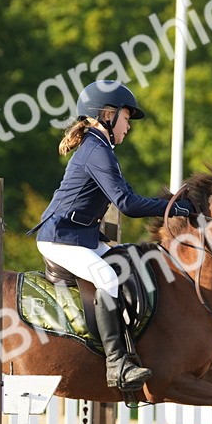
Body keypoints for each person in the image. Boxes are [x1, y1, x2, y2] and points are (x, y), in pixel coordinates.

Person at [33, 80, 194, 390]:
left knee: (129, 263)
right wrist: (175, 208)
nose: (128, 126)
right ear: (107, 115)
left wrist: (173, 206)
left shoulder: (101, 148)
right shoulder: (96, 150)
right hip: (59, 238)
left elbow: (129, 197)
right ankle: (116, 364)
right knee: (107, 277)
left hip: (80, 237)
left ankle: (135, 346)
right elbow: (127, 204)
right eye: (126, 118)